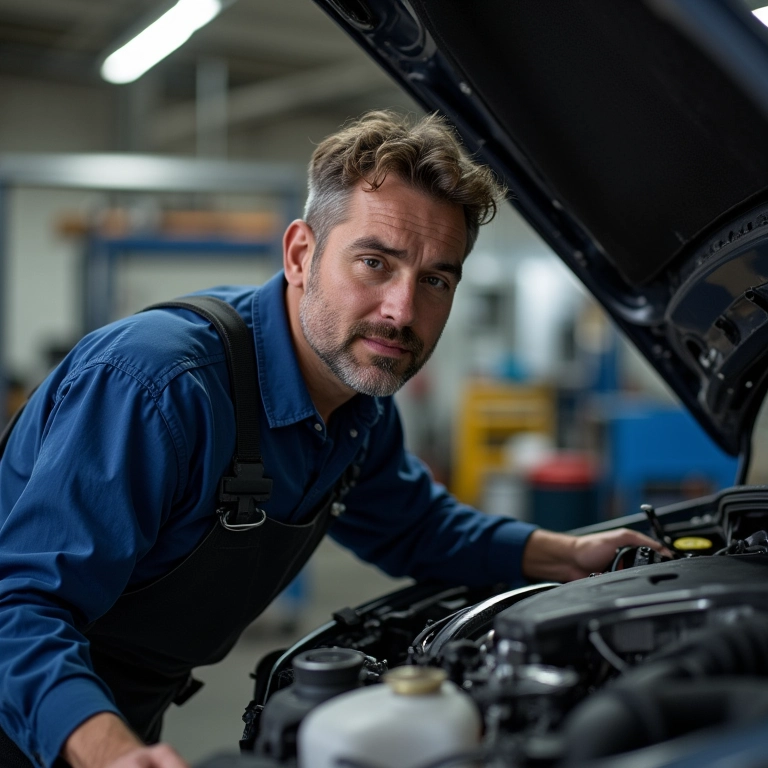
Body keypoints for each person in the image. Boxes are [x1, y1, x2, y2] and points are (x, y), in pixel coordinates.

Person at [0, 111, 664, 768]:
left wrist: (568, 556)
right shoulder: (159, 387)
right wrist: (109, 752)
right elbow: (19, 608)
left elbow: (416, 528)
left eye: (435, 279)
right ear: (299, 255)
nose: (403, 311)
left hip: (117, 716)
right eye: (375, 262)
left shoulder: (360, 407)